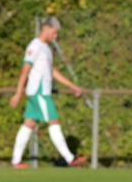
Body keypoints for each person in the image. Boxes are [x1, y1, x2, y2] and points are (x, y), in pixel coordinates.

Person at [9, 16, 87, 169]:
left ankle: (15, 161)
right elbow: (25, 70)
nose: (56, 36)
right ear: (47, 28)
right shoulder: (35, 45)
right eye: (55, 32)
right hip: (39, 92)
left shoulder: (46, 49)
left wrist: (72, 86)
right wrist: (18, 93)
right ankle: (70, 158)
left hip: (39, 92)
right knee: (53, 120)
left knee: (29, 123)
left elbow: (52, 71)